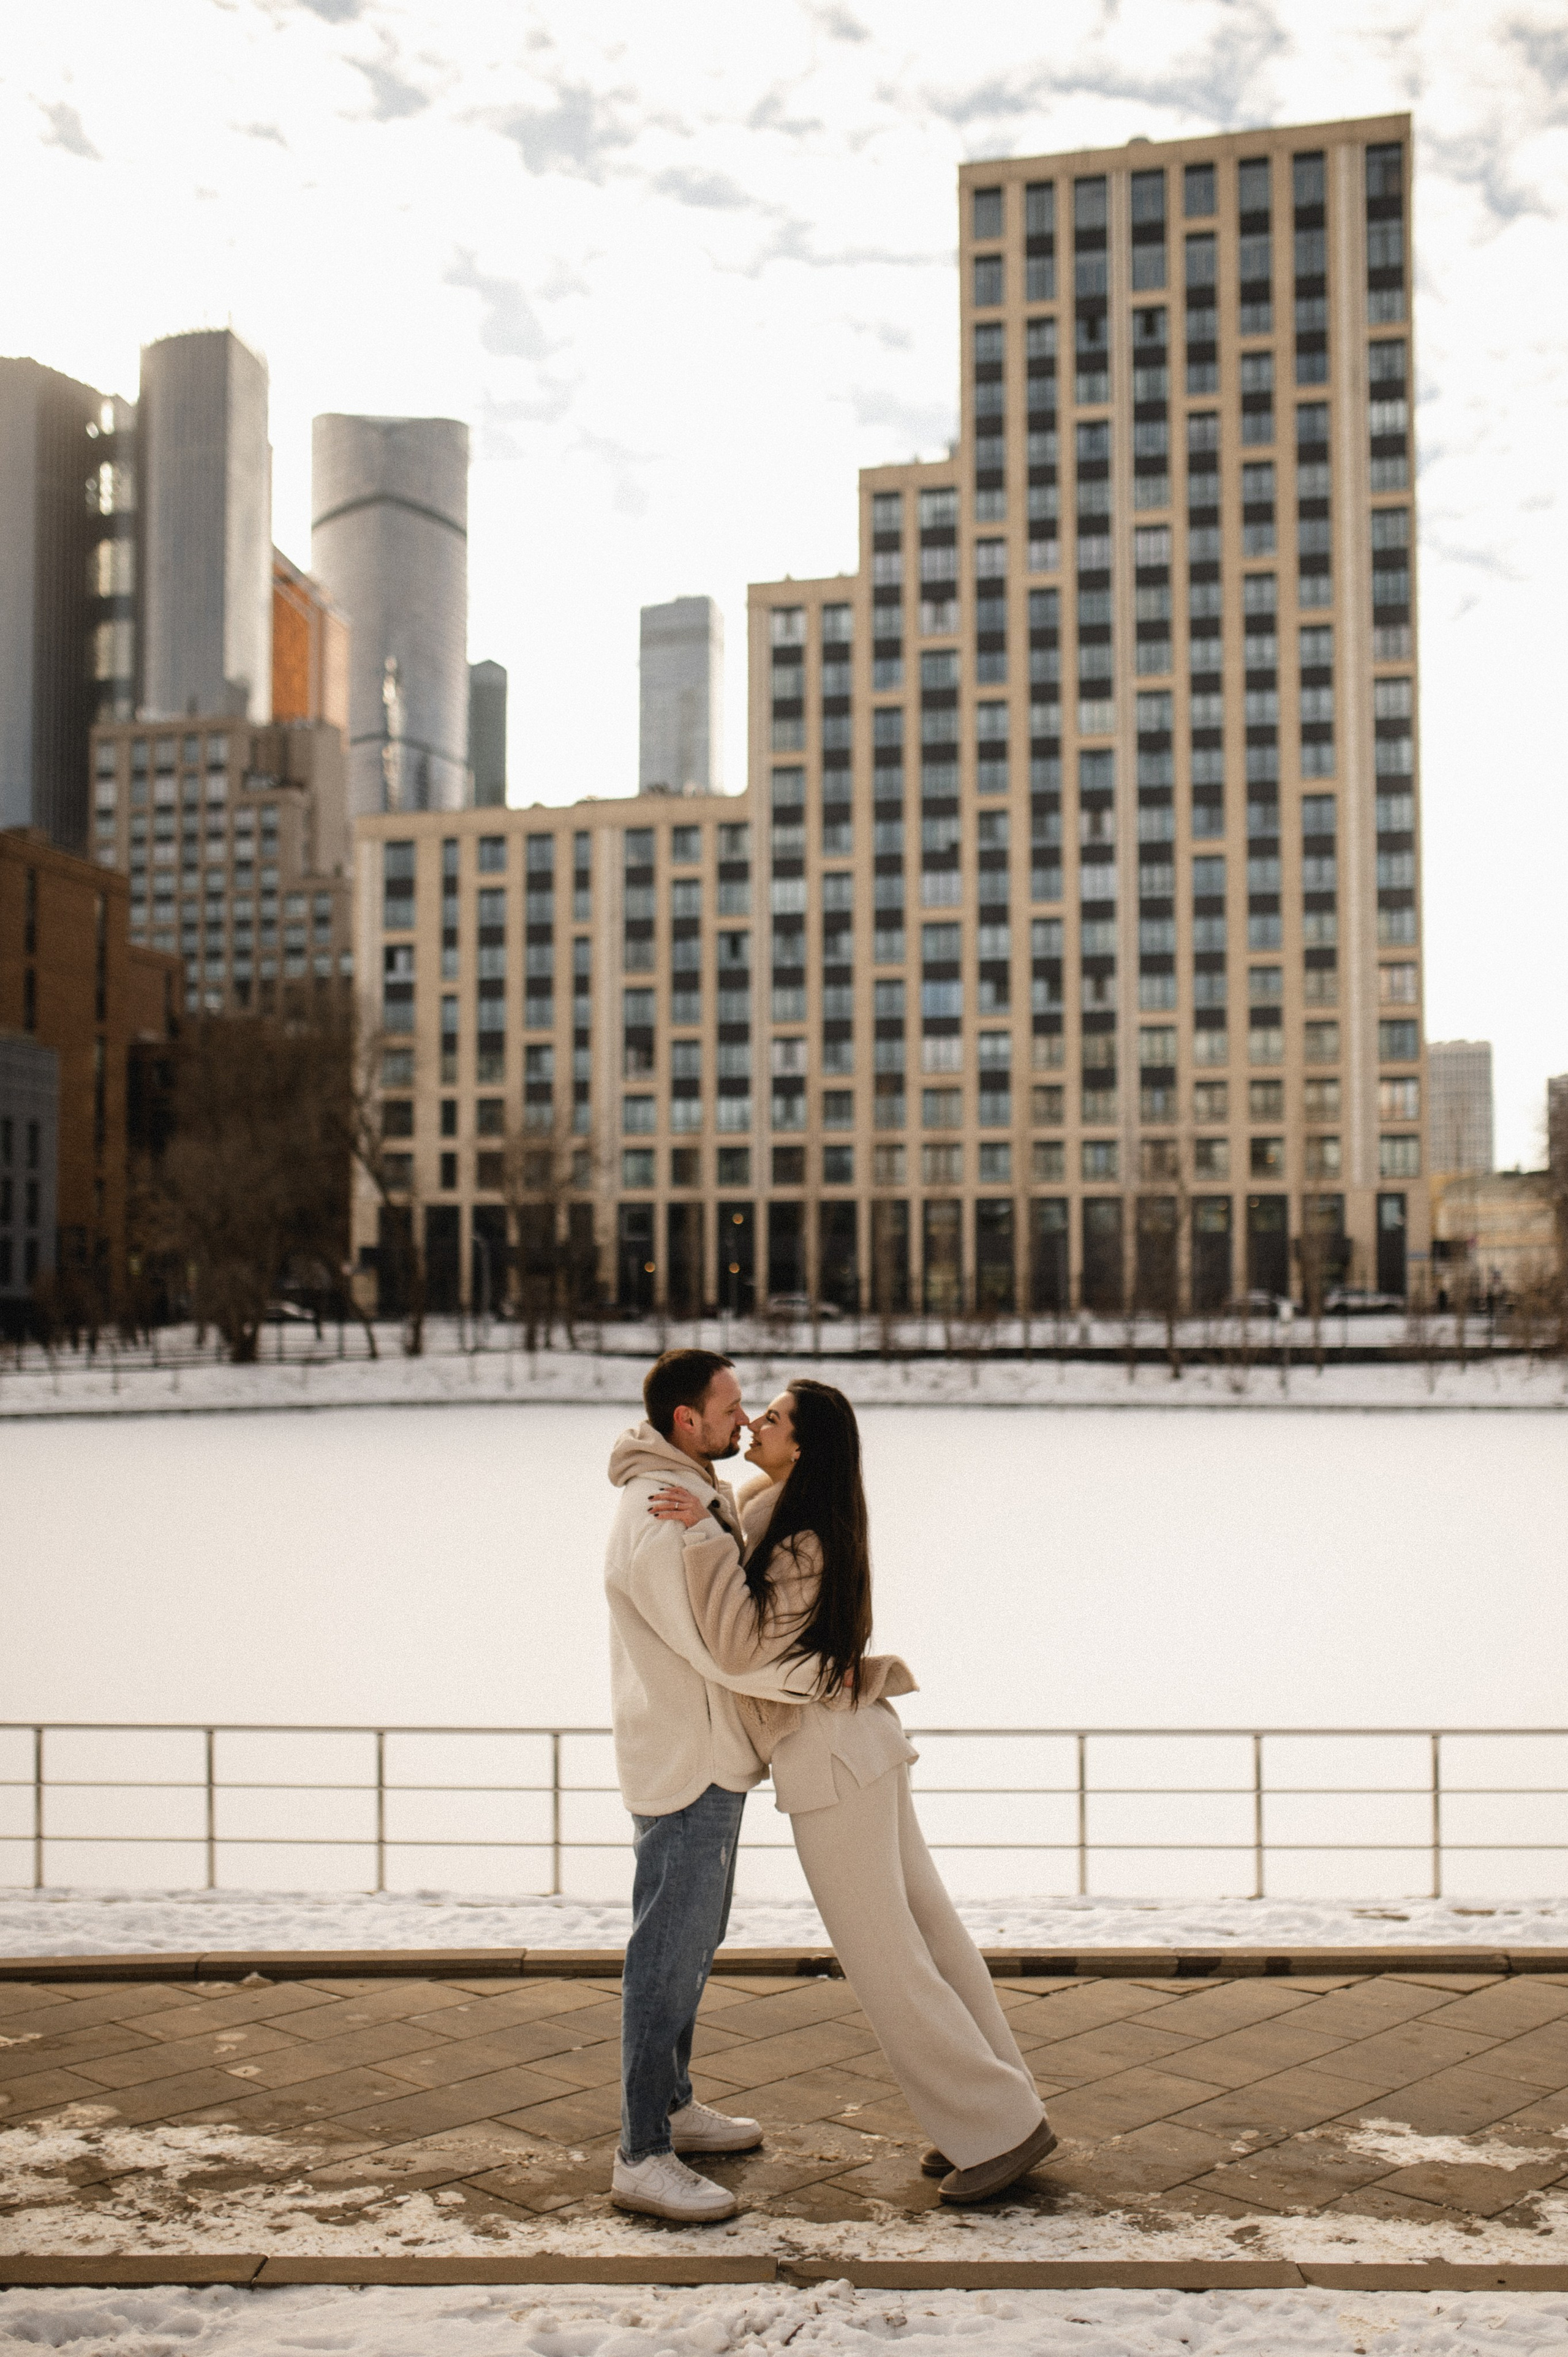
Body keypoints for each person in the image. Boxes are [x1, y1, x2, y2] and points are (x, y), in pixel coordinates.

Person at [649, 1377, 1057, 2206]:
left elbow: (735, 1647)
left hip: (829, 1757)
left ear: (803, 1444)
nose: (756, 1424)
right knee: (932, 1937)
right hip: (860, 1742)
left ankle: (999, 2127)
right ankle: (996, 2112)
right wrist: (719, 1519)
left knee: (886, 1960)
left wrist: (699, 1540)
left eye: (772, 1418)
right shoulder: (803, 1513)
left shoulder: (795, 1532)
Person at [604, 1348, 826, 2224]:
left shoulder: (690, 1495)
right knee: (666, 1953)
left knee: (691, 1942)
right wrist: (830, 1678)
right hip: (687, 1759)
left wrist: (714, 1513)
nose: (744, 1422)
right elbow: (726, 1649)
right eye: (731, 1409)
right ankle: (640, 2154)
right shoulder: (669, 1516)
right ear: (687, 1422)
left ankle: (672, 2108)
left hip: (695, 1751)